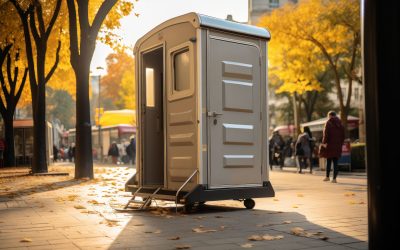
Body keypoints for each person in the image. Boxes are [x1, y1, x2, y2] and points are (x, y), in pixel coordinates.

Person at [320, 111, 345, 183]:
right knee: (335, 162)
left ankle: (327, 177)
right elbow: (343, 135)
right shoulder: (340, 123)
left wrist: (324, 143)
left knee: (328, 161)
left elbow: (325, 134)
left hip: (329, 145)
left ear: (330, 116)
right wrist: (340, 143)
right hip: (337, 145)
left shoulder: (328, 123)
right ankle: (334, 179)